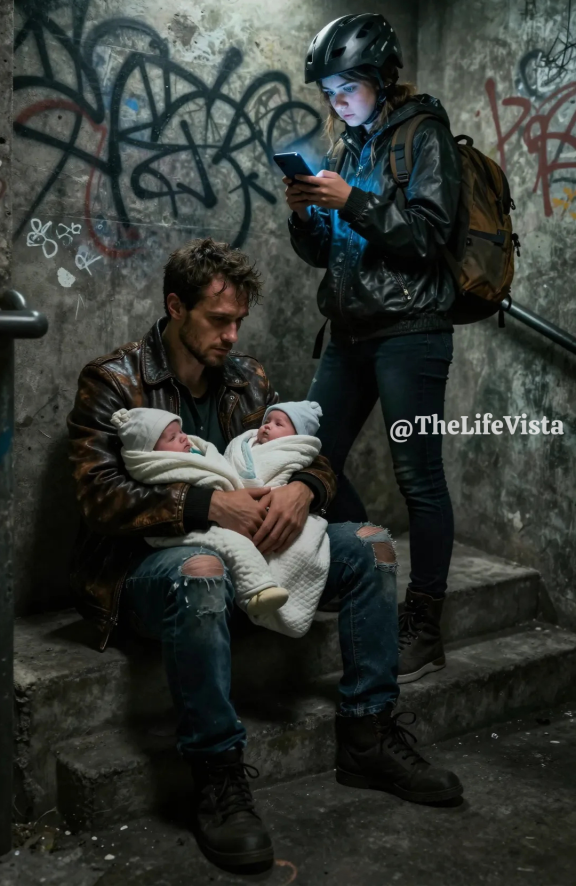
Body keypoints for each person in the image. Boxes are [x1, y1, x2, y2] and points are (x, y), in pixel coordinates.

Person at [67, 237, 463, 873]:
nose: (231, 335)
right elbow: (99, 498)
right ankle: (217, 773)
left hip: (260, 557)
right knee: (202, 572)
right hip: (148, 569)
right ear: (176, 306)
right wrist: (207, 506)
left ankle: (368, 733)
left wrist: (304, 491)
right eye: (218, 319)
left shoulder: (245, 377)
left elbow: (312, 455)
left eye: (239, 321)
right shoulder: (113, 380)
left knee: (372, 545)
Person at [286, 13, 462, 685]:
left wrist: (353, 200)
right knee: (312, 459)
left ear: (383, 79)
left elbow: (428, 238)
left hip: (411, 333)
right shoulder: (347, 149)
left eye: (347, 88)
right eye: (328, 92)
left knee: (419, 479)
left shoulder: (425, 135)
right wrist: (306, 214)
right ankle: (364, 566)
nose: (337, 103)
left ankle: (424, 626)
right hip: (350, 331)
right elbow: (327, 252)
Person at [110, 399, 331, 636]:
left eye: (181, 432)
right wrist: (210, 504)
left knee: (355, 542)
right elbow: (107, 494)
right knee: (213, 563)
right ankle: (257, 589)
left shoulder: (250, 385)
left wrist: (305, 487)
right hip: (164, 538)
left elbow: (305, 449)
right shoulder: (156, 458)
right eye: (173, 437)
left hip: (257, 508)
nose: (184, 438)